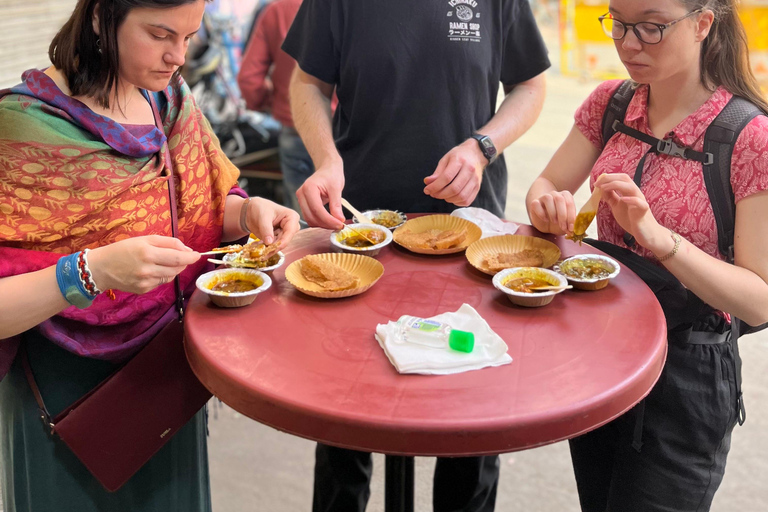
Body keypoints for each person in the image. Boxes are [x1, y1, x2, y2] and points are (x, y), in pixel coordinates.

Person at [0, 0, 300, 510]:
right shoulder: (22, 131)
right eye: (160, 35)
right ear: (100, 17)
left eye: (188, 37)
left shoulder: (167, 100)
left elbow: (194, 207)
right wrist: (92, 272)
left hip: (166, 374)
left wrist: (248, 215)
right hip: (69, 391)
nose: (177, 56)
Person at [281, 1, 550, 510]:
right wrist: (326, 159)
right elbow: (307, 83)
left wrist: (482, 147)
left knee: (470, 416)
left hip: (467, 237)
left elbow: (530, 85)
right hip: (361, 233)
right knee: (346, 412)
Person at [525, 0, 768, 510]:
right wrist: (547, 204)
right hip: (600, 350)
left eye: (652, 27)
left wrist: (661, 241)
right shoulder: (611, 104)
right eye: (617, 22)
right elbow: (548, 182)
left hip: (686, 378)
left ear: (703, 24)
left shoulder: (749, 138)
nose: (628, 43)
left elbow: (760, 301)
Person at [237, 0, 337, 214]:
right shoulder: (347, 8)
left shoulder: (276, 10)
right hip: (345, 130)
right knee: (349, 215)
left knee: (303, 215)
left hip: (296, 127)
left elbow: (249, 78)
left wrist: (269, 103)